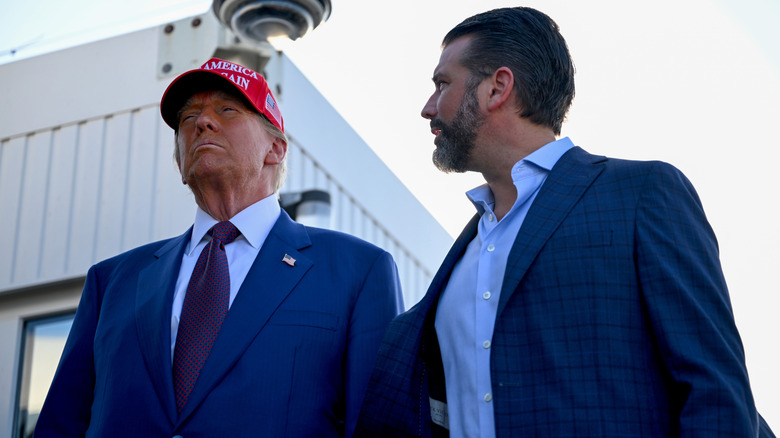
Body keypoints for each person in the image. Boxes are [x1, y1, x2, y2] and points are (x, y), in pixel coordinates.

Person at [356, 7, 774, 437]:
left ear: (497, 87)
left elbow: (716, 393)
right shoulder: (460, 262)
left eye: (443, 84)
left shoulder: (641, 194)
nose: (428, 108)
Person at [35, 57, 403, 437]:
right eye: (188, 118)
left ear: (275, 149)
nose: (202, 123)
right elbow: (61, 425)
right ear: (179, 160)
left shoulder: (358, 270)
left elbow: (379, 426)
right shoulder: (111, 282)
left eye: (226, 110)